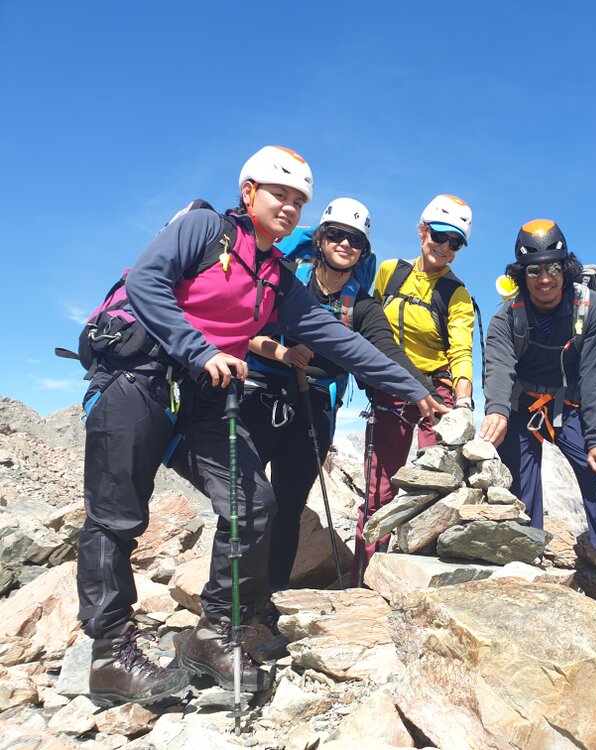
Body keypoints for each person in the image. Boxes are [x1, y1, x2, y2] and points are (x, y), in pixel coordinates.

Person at [77, 147, 446, 706]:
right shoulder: (203, 229)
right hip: (140, 379)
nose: (290, 208)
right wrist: (199, 349)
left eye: (300, 201)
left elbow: (339, 340)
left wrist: (411, 388)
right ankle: (108, 654)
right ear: (248, 192)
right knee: (116, 517)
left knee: (254, 503)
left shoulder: (276, 278)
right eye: (281, 195)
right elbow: (150, 282)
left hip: (201, 398)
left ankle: (214, 633)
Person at [241, 197, 434, 595]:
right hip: (261, 394)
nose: (345, 245)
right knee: (246, 502)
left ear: (364, 250)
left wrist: (425, 393)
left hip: (314, 404)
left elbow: (385, 351)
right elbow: (244, 323)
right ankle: (234, 598)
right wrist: (280, 352)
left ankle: (274, 594)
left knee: (290, 505)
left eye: (355, 241)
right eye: (336, 235)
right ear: (321, 238)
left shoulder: (362, 306)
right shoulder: (287, 275)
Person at [479, 219, 596, 623]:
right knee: (518, 485)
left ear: (566, 268)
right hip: (521, 408)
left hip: (571, 406)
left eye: (553, 267)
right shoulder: (507, 318)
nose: (545, 278)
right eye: (534, 270)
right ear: (522, 275)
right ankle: (523, 565)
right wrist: (497, 409)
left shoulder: (593, 309)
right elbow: (498, 366)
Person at [356, 194, 475, 584]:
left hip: (436, 395)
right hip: (390, 388)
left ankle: (420, 580)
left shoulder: (456, 294)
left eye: (455, 242)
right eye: (439, 235)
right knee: (380, 486)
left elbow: (461, 349)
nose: (444, 247)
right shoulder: (389, 272)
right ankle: (366, 577)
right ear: (422, 230)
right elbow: (368, 322)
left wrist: (463, 399)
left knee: (434, 488)